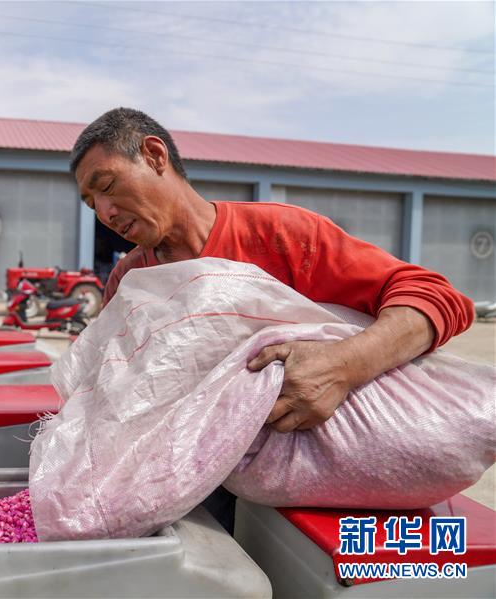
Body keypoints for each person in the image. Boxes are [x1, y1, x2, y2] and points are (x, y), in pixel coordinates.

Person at [71, 108, 475, 530]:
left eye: (107, 186)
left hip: (307, 488)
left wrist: (345, 364)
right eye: (91, 203)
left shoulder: (283, 235)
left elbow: (436, 297)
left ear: (154, 156)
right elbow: (113, 387)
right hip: (181, 491)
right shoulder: (130, 281)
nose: (104, 212)